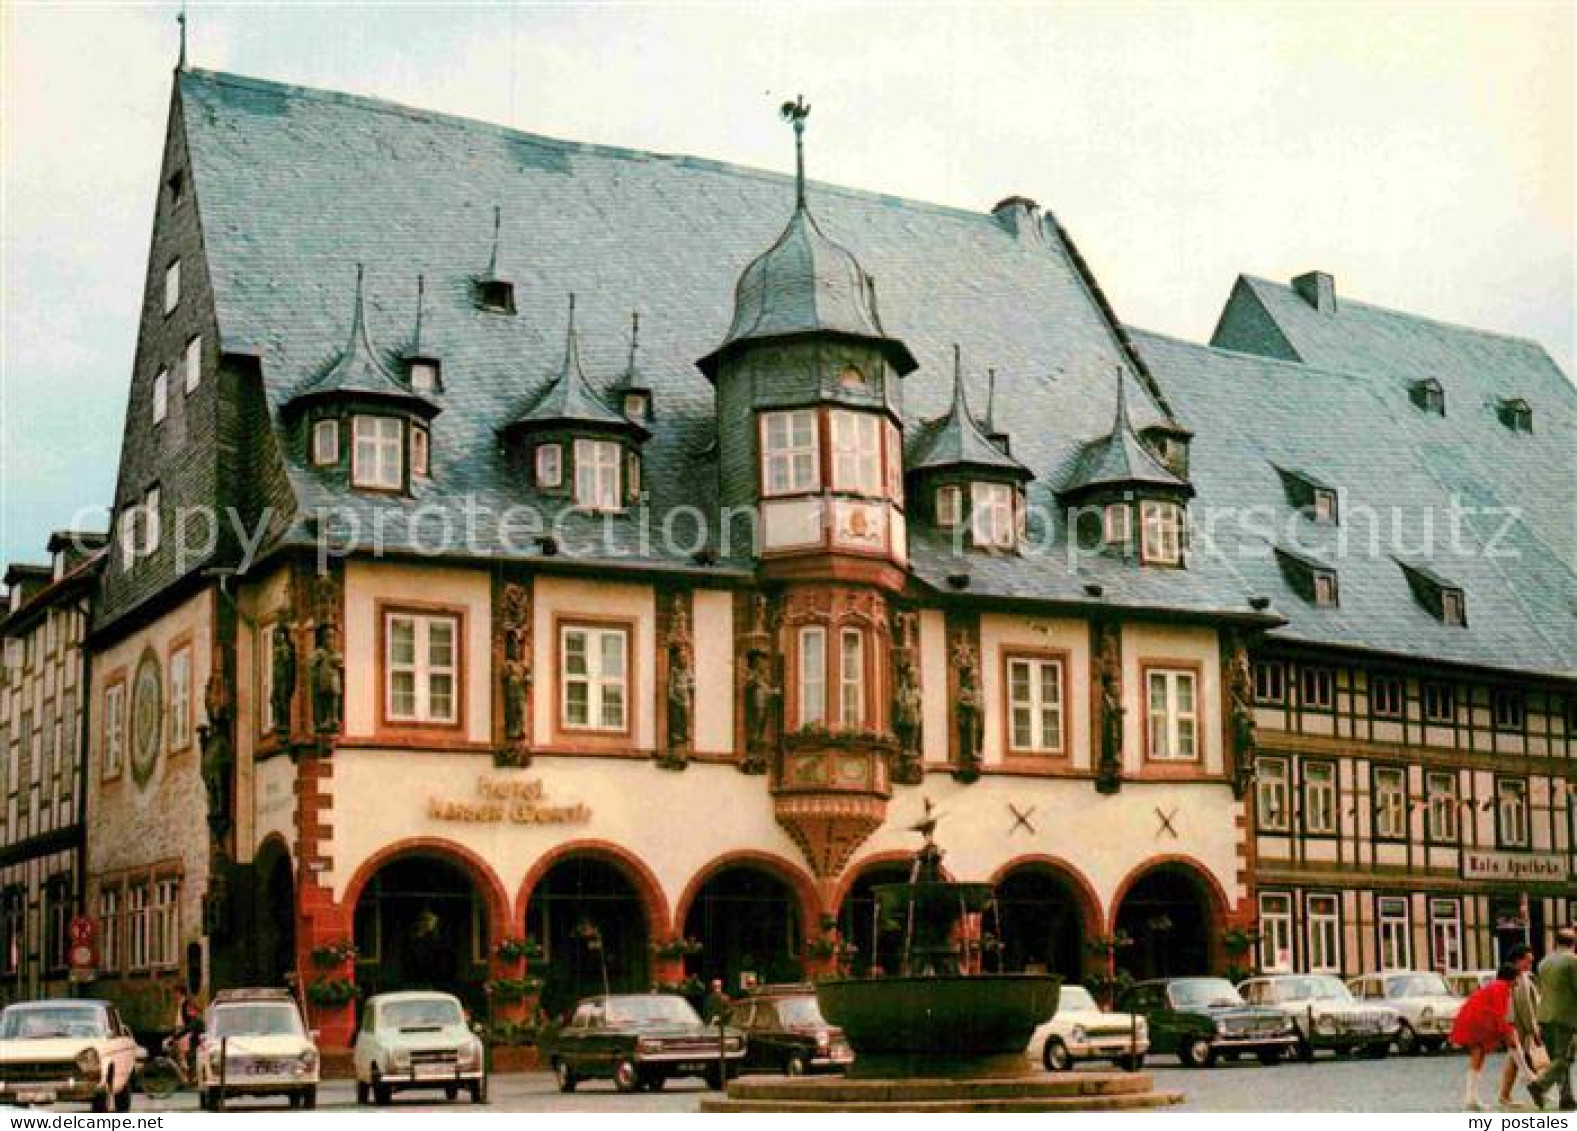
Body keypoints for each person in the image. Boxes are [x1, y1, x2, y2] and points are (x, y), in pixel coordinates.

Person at [1451, 964, 1525, 1111]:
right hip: (1476, 1020)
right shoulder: (1502, 988)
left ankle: (1471, 1097)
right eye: (1518, 976)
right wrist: (1507, 1033)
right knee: (1479, 1054)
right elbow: (1499, 1013)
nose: (1520, 979)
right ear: (1512, 977)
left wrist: (1506, 1032)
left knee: (1478, 1056)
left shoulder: (1499, 986)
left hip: (1474, 1018)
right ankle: (1471, 1097)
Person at [1530, 928, 1577, 1111]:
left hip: (1545, 1016)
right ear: (1573, 943)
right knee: (1564, 1058)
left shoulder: (1543, 962)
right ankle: (1539, 1085)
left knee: (1557, 1059)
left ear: (1555, 942)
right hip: (1566, 1016)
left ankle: (1566, 1097)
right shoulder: (1572, 961)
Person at [1498, 944, 1543, 1110]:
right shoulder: (1519, 978)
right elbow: (1526, 1007)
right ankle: (1507, 1095)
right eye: (1528, 961)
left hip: (1518, 1027)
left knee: (1519, 1061)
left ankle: (1508, 1095)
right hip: (1518, 1027)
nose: (1530, 965)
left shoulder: (1522, 976)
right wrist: (1534, 1030)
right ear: (1518, 960)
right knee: (1520, 1060)